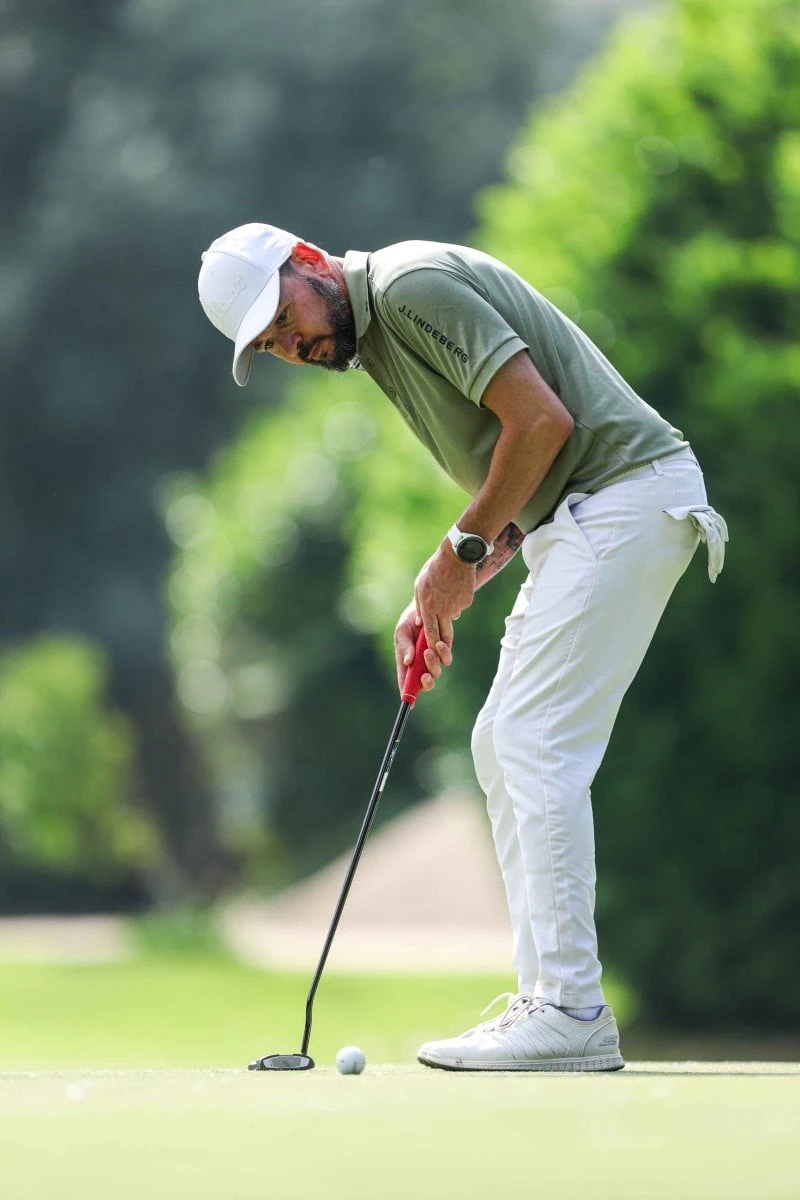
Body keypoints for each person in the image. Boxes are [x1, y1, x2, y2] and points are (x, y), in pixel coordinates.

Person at [198, 222, 728, 1072]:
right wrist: (451, 587)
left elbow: (542, 423)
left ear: (306, 261)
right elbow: (525, 476)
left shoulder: (408, 287)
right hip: (591, 514)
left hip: (627, 498)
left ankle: (568, 1010)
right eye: (269, 344)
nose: (290, 343)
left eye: (282, 316)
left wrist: (458, 555)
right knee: (499, 741)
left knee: (531, 740)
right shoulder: (376, 338)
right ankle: (549, 1002)